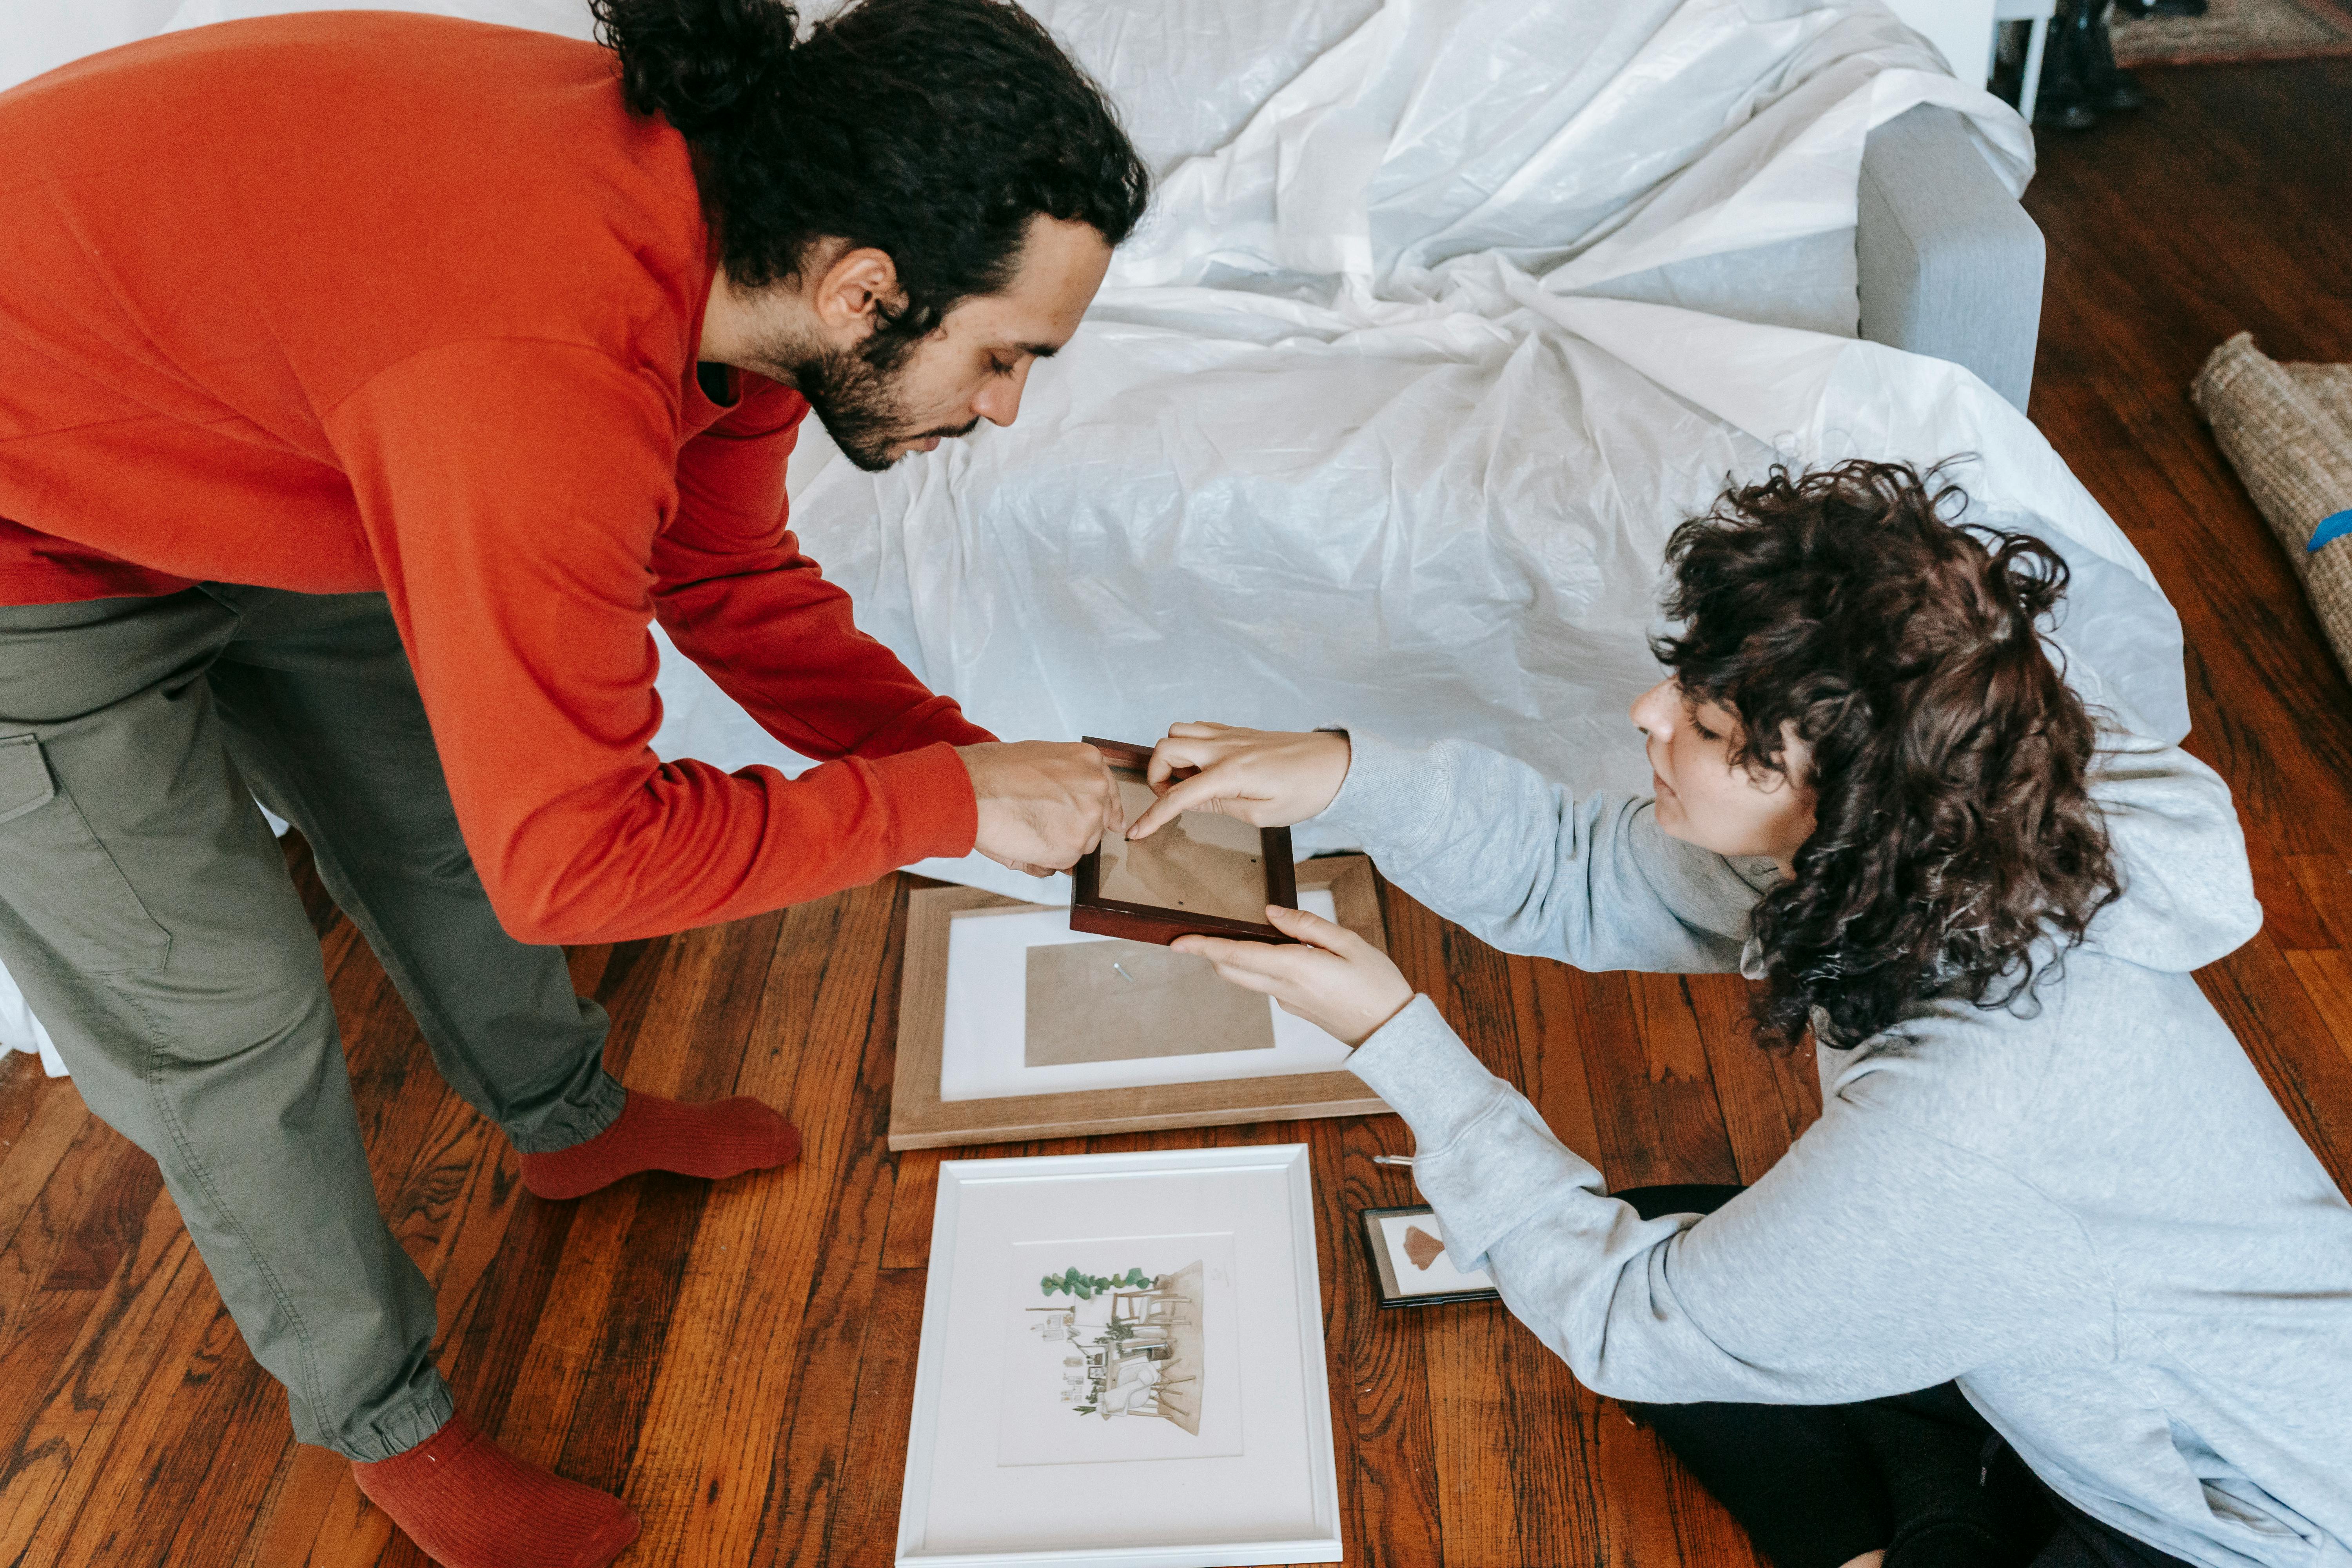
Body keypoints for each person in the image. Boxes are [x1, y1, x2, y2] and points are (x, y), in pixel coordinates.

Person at [0, 0, 1143, 1561]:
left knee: (428, 818)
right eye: (1005, 356)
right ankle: (386, 1421)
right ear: (866, 290)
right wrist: (948, 807)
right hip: (25, 519)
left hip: (241, 415)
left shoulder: (744, 267)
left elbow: (728, 579)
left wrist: (971, 766)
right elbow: (576, 862)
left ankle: (566, 1119)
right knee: (224, 1016)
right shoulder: (540, 371)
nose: (1004, 406)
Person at [1134, 460, 2352, 1568]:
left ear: (1844, 789)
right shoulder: (1940, 841)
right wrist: (1344, 773)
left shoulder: (1966, 1113)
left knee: (1641, 1298)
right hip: (2075, 1341)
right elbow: (1583, 875)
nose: (1648, 714)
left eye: (1710, 726)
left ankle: (1926, 1527)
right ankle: (1942, 1497)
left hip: (2235, 1533)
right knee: (1670, 1241)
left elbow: (1624, 1324)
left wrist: (1396, 1038)